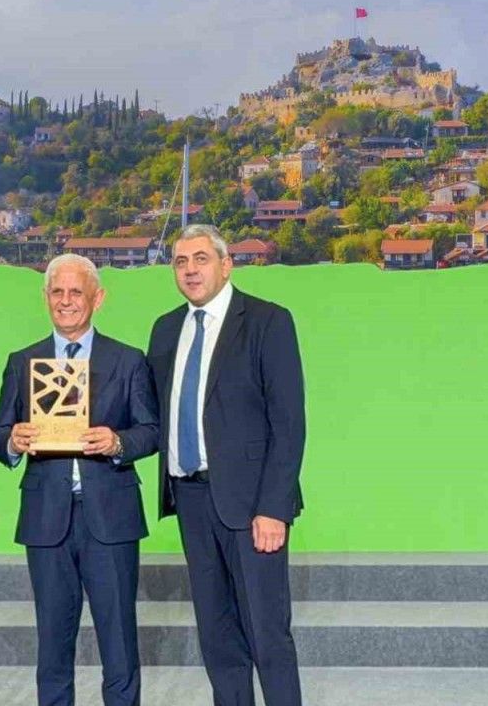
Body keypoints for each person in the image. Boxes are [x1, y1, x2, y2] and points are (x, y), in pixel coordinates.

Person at [0, 254, 159, 706]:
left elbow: (151, 430)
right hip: (46, 519)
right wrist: (13, 440)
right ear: (46, 297)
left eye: (76, 292)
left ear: (97, 299)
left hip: (111, 518)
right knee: (52, 642)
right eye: (57, 292)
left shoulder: (129, 360)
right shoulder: (21, 361)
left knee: (119, 640)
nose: (66, 301)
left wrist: (118, 442)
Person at [146, 224, 306, 706]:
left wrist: (273, 508)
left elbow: (289, 424)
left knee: (267, 635)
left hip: (253, 506)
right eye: (181, 261)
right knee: (217, 638)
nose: (190, 270)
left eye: (201, 259)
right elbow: (151, 414)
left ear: (226, 264)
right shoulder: (165, 329)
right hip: (190, 501)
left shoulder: (267, 321)